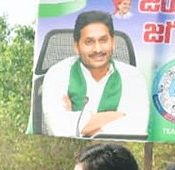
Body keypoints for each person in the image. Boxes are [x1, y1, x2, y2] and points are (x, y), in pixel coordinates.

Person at [40, 10, 148, 138]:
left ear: (113, 42)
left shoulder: (133, 77)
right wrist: (117, 116)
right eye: (89, 42)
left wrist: (76, 122)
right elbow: (60, 131)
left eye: (103, 40)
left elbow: (137, 129)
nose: (98, 49)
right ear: (76, 46)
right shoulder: (57, 74)